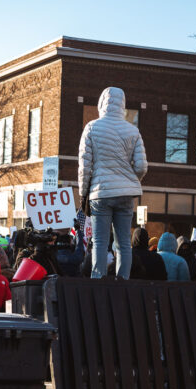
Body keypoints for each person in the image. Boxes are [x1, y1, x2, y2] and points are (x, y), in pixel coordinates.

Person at [78, 87, 147, 279]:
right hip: (125, 194)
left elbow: (85, 165)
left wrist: (83, 192)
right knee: (124, 242)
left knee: (99, 241)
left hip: (100, 192)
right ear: (122, 105)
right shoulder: (133, 131)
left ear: (102, 104)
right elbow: (141, 167)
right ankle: (122, 279)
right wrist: (131, 180)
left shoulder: (92, 127)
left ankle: (98, 279)